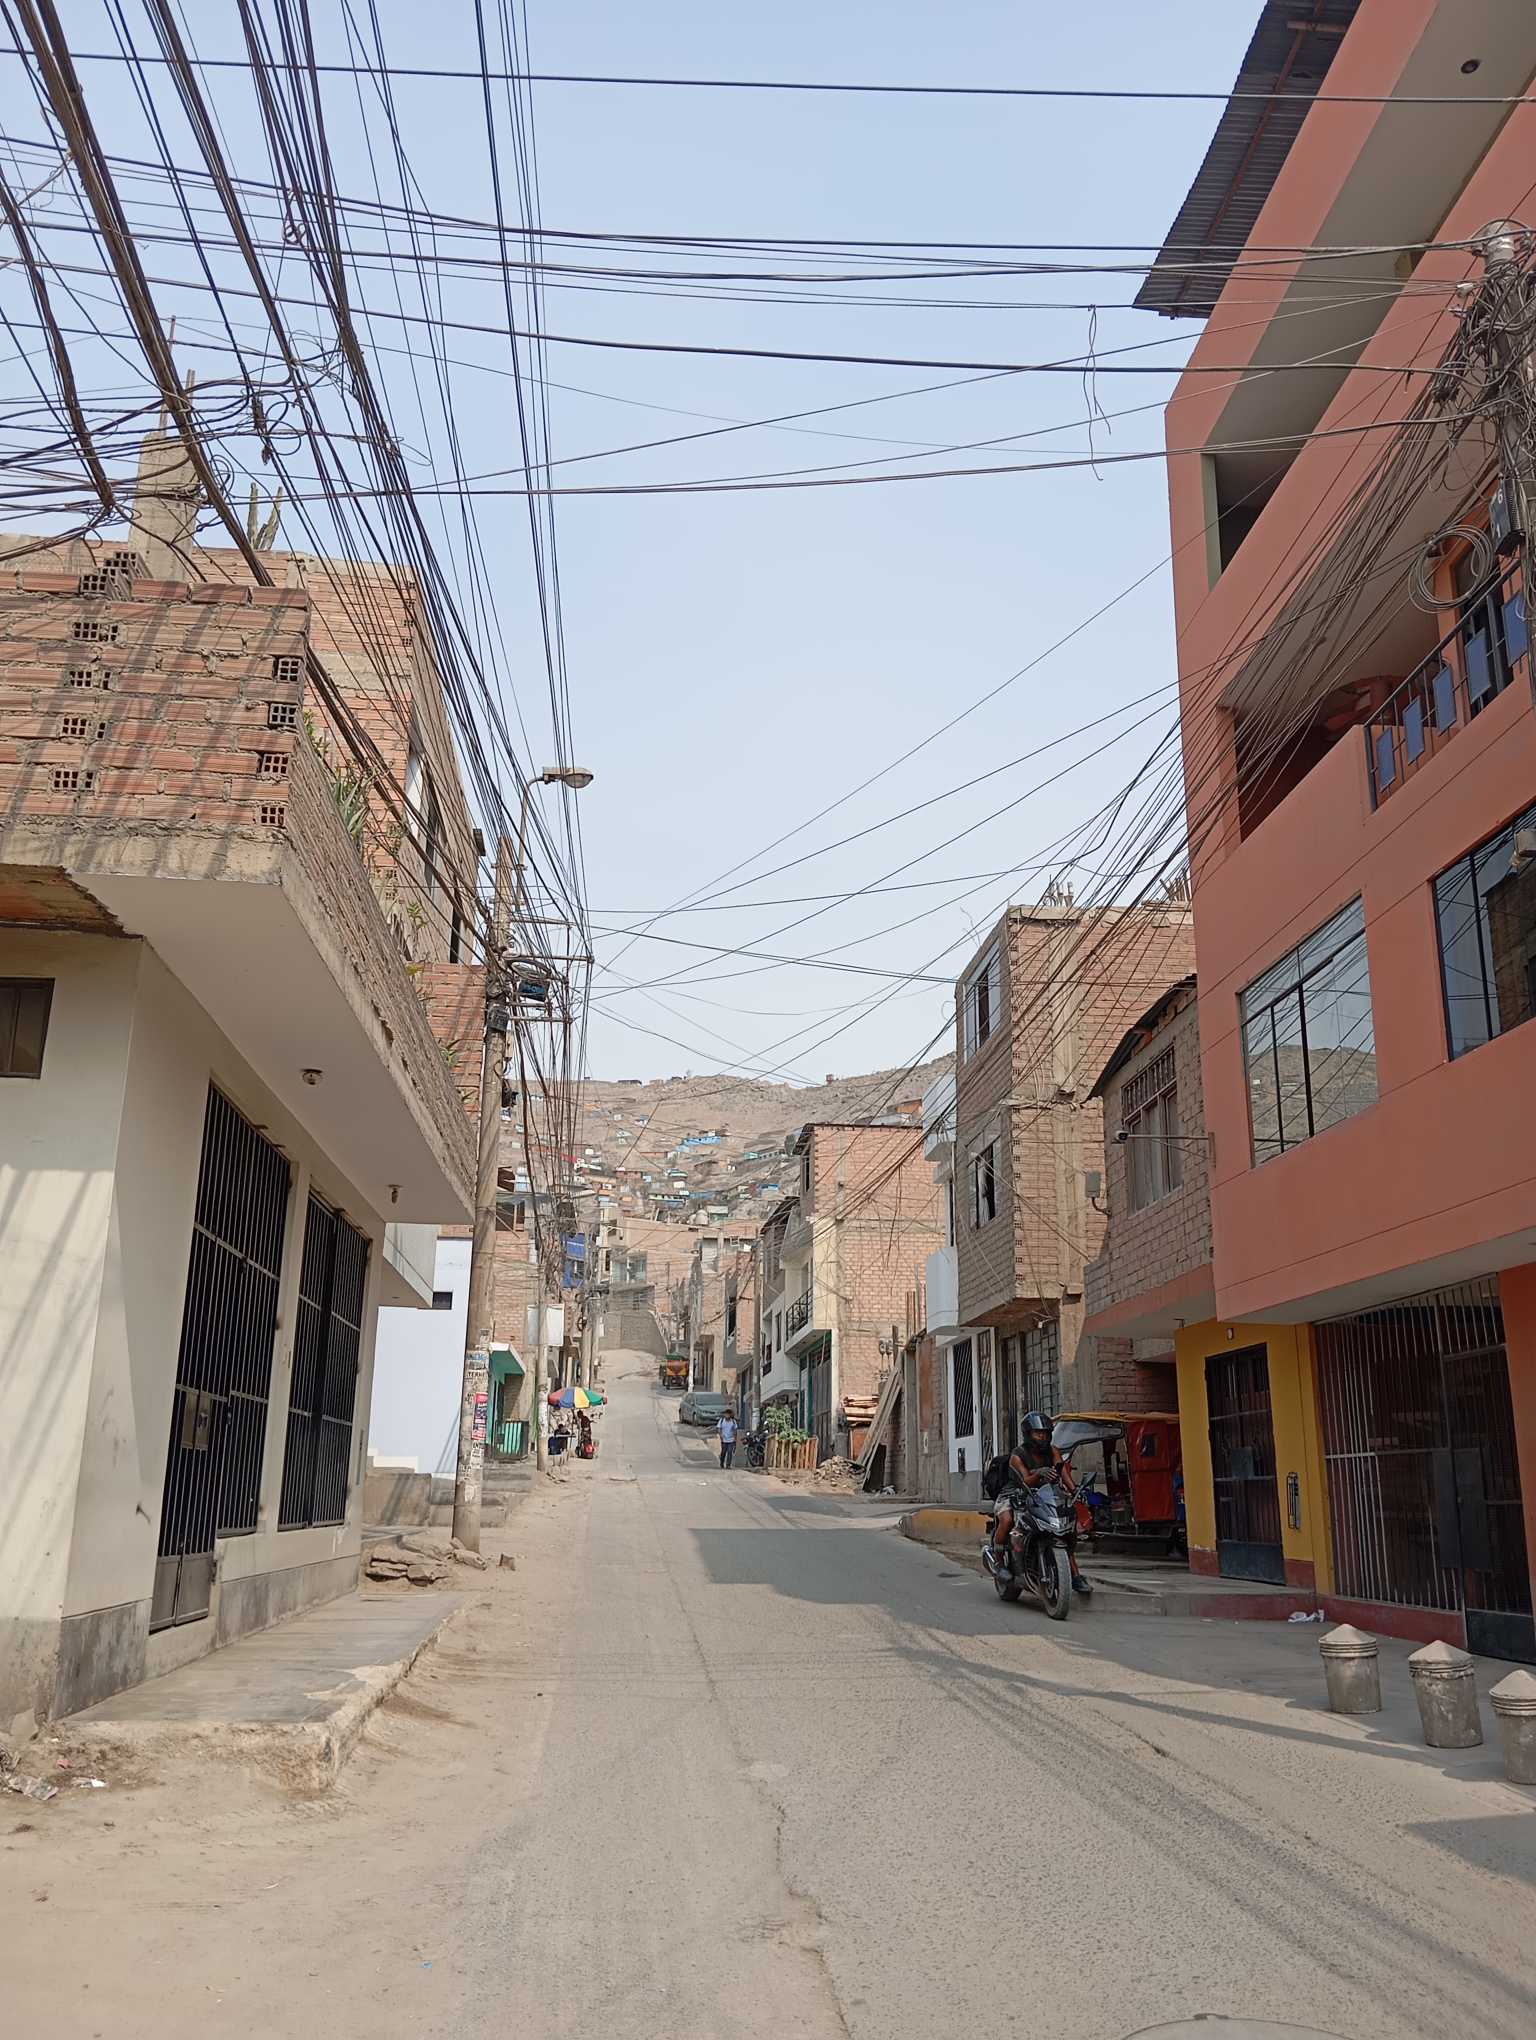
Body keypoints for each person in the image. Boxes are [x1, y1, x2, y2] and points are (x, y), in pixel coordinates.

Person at [984, 1411, 1092, 1596]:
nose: (1042, 1437)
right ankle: (999, 1561)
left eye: (1045, 1433)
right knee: (1007, 1520)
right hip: (1015, 1493)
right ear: (1028, 1434)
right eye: (1038, 1433)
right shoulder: (1018, 1455)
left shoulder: (1053, 1451)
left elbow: (1062, 1472)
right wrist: (1039, 1473)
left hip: (1045, 1493)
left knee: (1063, 1529)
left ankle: (1075, 1575)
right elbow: (1025, 1481)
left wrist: (1075, 1490)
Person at [718, 1406, 739, 1470]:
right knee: (723, 1452)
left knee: (730, 1452)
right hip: (724, 1439)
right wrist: (721, 1435)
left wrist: (735, 1439)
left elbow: (735, 1430)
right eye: (726, 1414)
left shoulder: (733, 1422)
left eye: (728, 1414)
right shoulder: (722, 1421)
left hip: (731, 1439)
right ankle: (722, 1462)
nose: (727, 1415)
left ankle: (728, 1465)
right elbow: (719, 1428)